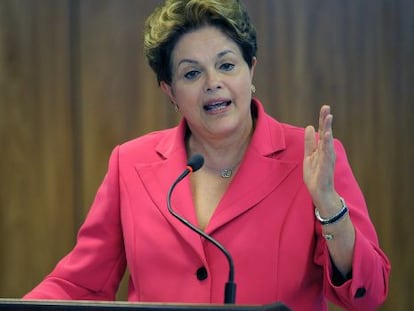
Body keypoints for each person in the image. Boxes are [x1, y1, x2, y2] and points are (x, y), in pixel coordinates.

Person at [24, 0, 391, 310]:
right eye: (192, 73)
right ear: (170, 91)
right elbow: (80, 285)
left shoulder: (311, 158)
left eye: (227, 65)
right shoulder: (130, 164)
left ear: (251, 69)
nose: (212, 81)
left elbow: (367, 295)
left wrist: (329, 206)